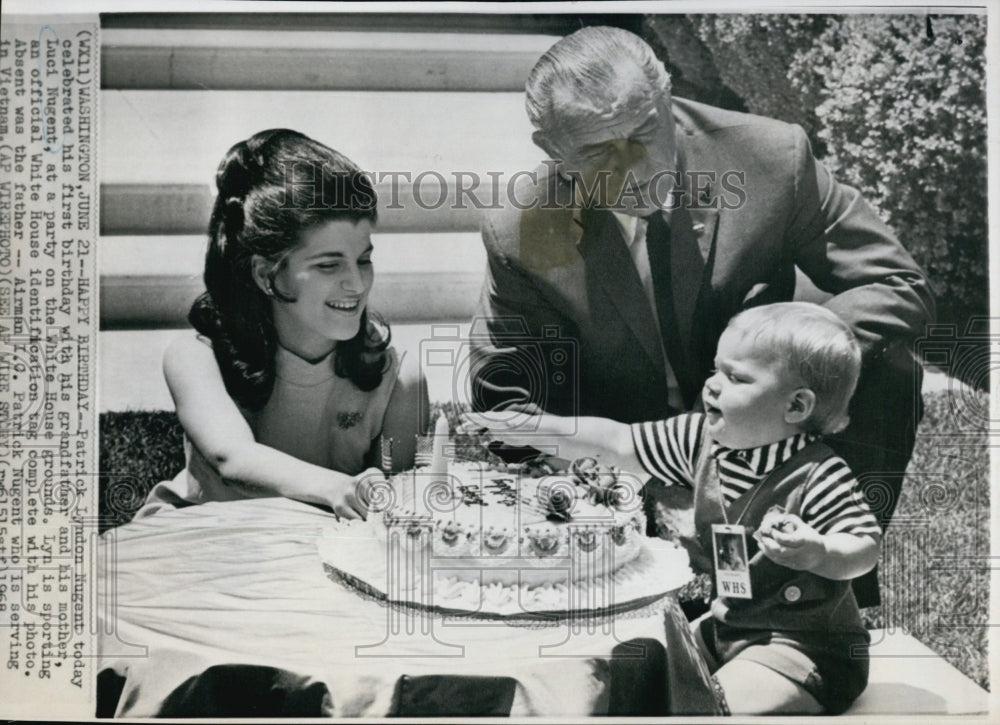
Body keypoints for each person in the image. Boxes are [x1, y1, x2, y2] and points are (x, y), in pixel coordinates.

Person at [469, 25, 934, 606]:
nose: (633, 168)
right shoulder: (519, 227)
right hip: (625, 448)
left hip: (767, 427)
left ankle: (826, 594)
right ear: (551, 149)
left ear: (666, 98)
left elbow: (894, 282)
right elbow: (504, 401)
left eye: (643, 132)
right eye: (595, 151)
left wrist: (777, 370)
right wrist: (617, 477)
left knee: (889, 374)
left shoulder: (770, 157)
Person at [466, 302, 879, 714]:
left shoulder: (817, 474)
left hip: (803, 648)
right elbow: (618, 443)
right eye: (716, 369)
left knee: (707, 709)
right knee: (627, 669)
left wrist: (819, 551)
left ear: (796, 407)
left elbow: (864, 545)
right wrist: (530, 428)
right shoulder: (701, 439)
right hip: (728, 627)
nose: (712, 385)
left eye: (736, 377)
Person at [137, 129, 427, 520]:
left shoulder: (398, 376)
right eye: (328, 264)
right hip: (203, 541)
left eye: (364, 259)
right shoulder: (196, 357)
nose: (357, 284)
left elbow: (393, 506)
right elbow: (232, 458)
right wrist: (339, 487)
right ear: (266, 274)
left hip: (324, 553)